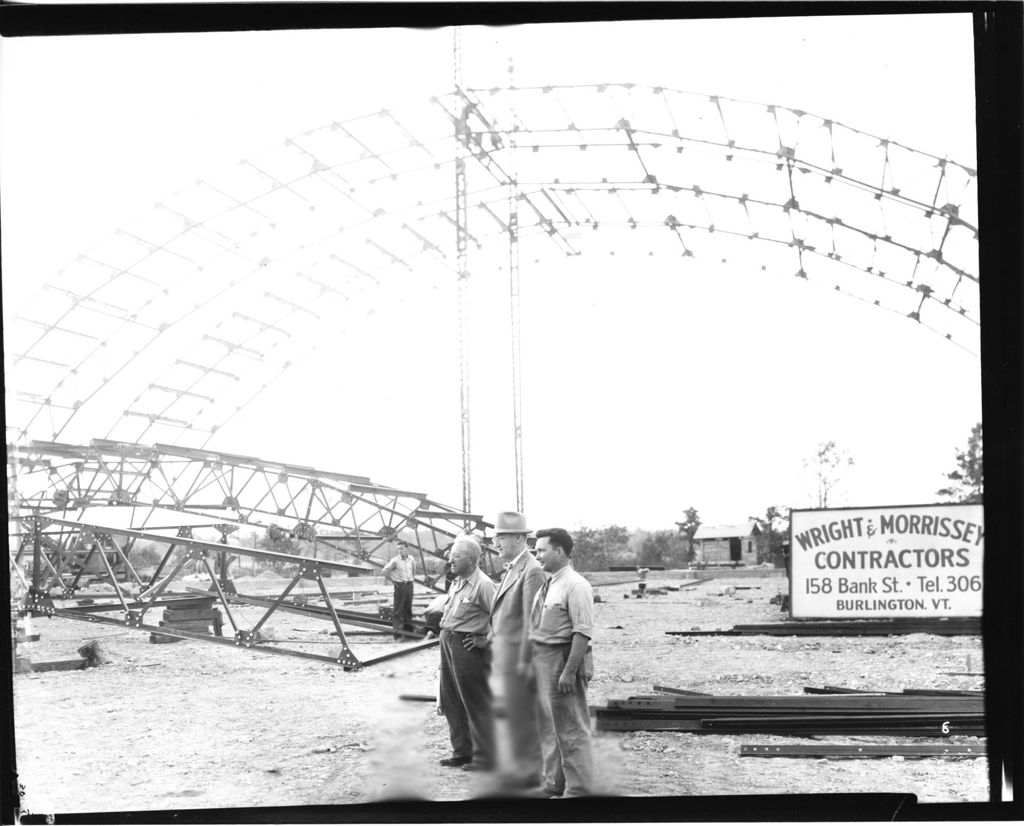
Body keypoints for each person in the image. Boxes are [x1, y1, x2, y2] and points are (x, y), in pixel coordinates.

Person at [521, 527, 595, 798]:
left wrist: (569, 672)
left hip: (562, 661)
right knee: (550, 727)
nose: (536, 554)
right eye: (536, 549)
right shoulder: (550, 582)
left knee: (572, 728)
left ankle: (579, 790)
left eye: (541, 550)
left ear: (560, 551)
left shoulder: (576, 585)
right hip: (543, 661)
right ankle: (554, 783)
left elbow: (582, 632)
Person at [487, 510, 546, 789]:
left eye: (502, 536)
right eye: (496, 536)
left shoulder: (532, 570)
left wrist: (525, 665)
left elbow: (531, 624)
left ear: (521, 538)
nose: (496, 542)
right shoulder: (512, 566)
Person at [437, 535, 497, 772]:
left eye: (456, 556)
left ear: (472, 560)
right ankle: (462, 752)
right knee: (451, 699)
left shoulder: (483, 585)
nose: (450, 559)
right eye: (451, 554)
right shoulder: (458, 581)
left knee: (474, 702)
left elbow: (505, 618)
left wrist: (486, 640)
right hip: (448, 641)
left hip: (467, 646)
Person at [382, 540, 416, 639]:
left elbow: (413, 571)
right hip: (400, 586)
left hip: (409, 585)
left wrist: (411, 580)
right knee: (398, 610)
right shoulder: (395, 560)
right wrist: (394, 582)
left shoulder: (411, 559)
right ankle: (397, 634)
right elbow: (384, 571)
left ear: (407, 548)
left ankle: (409, 633)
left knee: (408, 609)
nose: (400, 551)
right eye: (398, 549)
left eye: (402, 548)